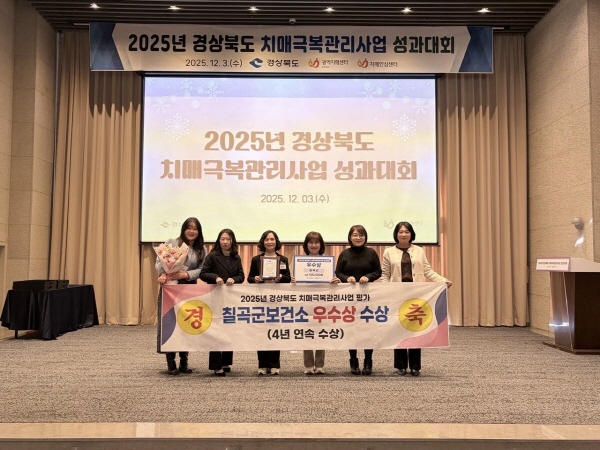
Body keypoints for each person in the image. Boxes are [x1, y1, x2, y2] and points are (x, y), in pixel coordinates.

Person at [381, 221, 452, 377]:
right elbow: (385, 275)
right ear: (396, 234)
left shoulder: (419, 250)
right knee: (398, 330)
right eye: (400, 232)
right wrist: (386, 292)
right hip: (397, 296)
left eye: (407, 232)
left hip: (417, 297)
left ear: (411, 234)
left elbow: (428, 271)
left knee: (415, 329)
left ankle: (415, 366)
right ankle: (400, 365)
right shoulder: (388, 252)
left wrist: (443, 280)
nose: (403, 234)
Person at [156, 217, 206, 375]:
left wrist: (185, 274)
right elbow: (159, 262)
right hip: (170, 288)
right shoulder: (172, 242)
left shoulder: (201, 249)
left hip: (188, 289)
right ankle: (171, 362)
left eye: (195, 229)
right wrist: (163, 273)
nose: (192, 231)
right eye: (189, 228)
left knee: (186, 323)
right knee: (169, 322)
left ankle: (184, 362)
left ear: (199, 232)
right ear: (183, 229)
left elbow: (203, 270)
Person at [335, 225, 382, 375]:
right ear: (350, 237)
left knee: (368, 330)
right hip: (350, 298)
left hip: (368, 297)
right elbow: (338, 272)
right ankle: (353, 360)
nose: (358, 238)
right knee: (352, 329)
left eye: (361, 235)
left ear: (365, 237)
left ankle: (368, 361)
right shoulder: (344, 253)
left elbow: (378, 272)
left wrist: (368, 277)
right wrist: (346, 278)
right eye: (355, 235)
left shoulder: (371, 253)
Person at [200, 228, 245, 376]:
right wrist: (215, 277)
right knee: (216, 331)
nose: (225, 242)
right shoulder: (212, 256)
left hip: (230, 299)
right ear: (219, 240)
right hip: (215, 298)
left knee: (228, 330)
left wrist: (234, 279)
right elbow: (203, 274)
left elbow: (241, 276)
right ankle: (216, 365)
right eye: (223, 239)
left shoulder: (236, 257)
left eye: (228, 239)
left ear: (232, 241)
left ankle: (226, 362)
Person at [294, 231, 340, 375]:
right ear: (306, 245)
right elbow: (293, 284)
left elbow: (333, 280)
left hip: (322, 302)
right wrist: (293, 281)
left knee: (322, 332)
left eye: (316, 242)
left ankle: (319, 364)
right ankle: (308, 365)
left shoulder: (327, 262)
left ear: (321, 245)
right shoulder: (299, 262)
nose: (313, 245)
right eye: (311, 242)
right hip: (305, 302)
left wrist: (335, 280)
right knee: (306, 332)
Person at [247, 230, 291, 375]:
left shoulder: (283, 259)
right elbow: (249, 278)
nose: (270, 242)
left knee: (275, 332)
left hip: (277, 301)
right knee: (261, 332)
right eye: (267, 239)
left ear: (276, 241)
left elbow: (288, 278)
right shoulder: (256, 259)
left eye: (272, 239)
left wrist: (281, 278)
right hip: (261, 300)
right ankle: (262, 364)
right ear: (263, 242)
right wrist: (255, 279)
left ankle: (274, 364)